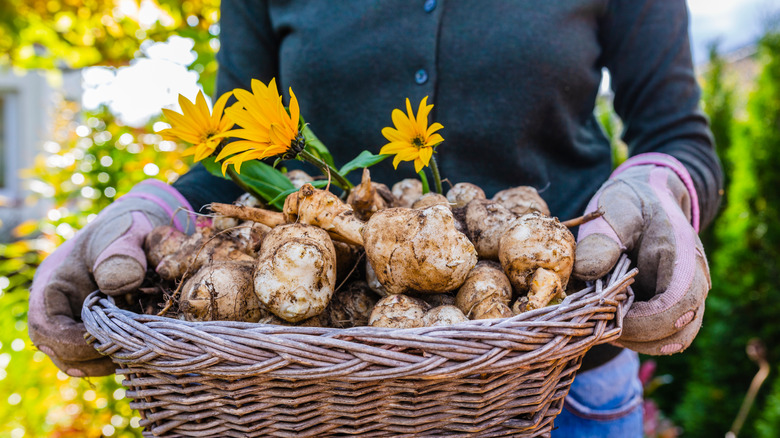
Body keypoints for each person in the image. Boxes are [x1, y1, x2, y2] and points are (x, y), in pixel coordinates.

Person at [29, 1, 721, 436]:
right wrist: (155, 208)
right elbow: (232, 157)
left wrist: (658, 188)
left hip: (559, 383)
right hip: (306, 397)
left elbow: (675, 133)